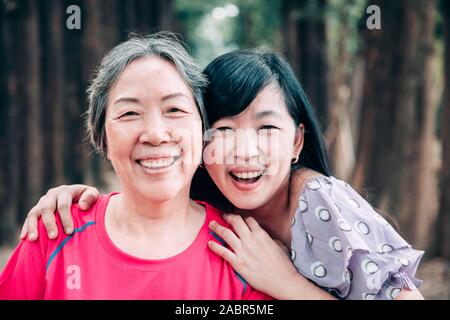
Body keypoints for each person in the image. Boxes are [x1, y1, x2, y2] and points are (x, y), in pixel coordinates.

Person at [19, 48, 424, 300]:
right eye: (224, 131)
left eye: (267, 129)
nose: (243, 152)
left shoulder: (319, 204)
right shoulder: (223, 218)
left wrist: (288, 285)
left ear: (297, 142)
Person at [0, 33, 273, 300]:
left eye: (174, 110)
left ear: (204, 130)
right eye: (130, 113)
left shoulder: (243, 253)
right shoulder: (54, 231)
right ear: (102, 137)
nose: (155, 134)